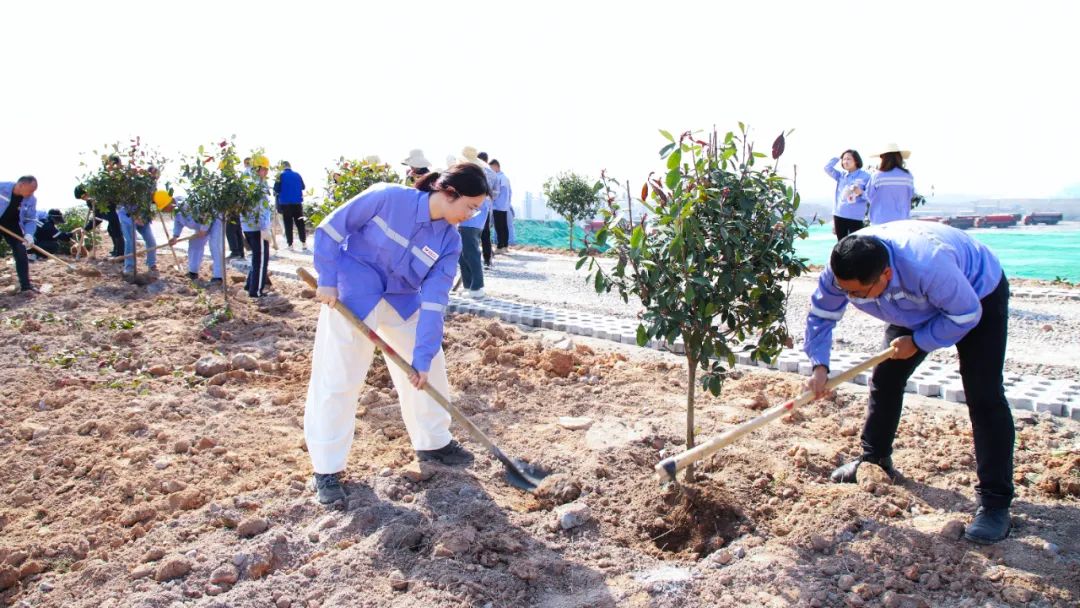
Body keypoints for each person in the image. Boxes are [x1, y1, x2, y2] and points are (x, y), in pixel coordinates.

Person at [804, 220, 1014, 544]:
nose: (848, 297)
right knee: (886, 377)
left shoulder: (927, 264)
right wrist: (819, 365)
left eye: (857, 294)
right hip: (913, 304)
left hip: (975, 295)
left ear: (885, 276)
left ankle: (996, 504)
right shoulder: (843, 270)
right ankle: (875, 461)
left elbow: (965, 314)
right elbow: (822, 314)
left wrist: (919, 341)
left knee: (984, 396)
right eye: (844, 290)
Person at [304, 163, 490, 504]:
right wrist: (327, 279)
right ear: (449, 193)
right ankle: (327, 469)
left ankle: (433, 443)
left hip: (402, 300)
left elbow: (434, 302)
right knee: (339, 377)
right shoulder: (386, 197)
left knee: (430, 366)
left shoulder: (449, 242)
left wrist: (420, 358)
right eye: (471, 207)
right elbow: (331, 229)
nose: (471, 215)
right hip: (353, 291)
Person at [164, 196, 224, 283]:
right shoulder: (176, 210)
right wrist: (175, 236)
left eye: (164, 208)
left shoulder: (186, 204)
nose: (165, 211)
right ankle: (193, 272)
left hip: (214, 220)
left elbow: (207, 212)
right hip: (201, 224)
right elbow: (178, 222)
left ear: (169, 203)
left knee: (215, 246)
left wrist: (204, 229)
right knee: (194, 244)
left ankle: (218, 277)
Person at [853, 144, 914, 225]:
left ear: (883, 158)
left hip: (880, 221)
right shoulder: (908, 176)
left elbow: (869, 196)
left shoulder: (877, 176)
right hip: (902, 221)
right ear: (899, 158)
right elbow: (910, 195)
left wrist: (860, 192)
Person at [0, 176, 40, 293]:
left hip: (12, 224)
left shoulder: (31, 200)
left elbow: (30, 219)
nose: (32, 193)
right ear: (21, 185)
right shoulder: (2, 187)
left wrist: (29, 234)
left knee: (20, 250)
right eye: (31, 190)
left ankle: (26, 286)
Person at [117, 170, 158, 280]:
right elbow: (124, 203)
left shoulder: (153, 187)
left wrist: (150, 214)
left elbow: (152, 203)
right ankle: (129, 267)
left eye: (156, 177)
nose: (154, 179)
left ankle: (152, 265)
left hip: (143, 218)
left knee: (151, 241)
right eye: (152, 177)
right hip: (128, 217)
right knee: (131, 241)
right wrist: (134, 217)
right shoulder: (136, 185)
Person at [242, 156, 273, 297]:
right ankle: (257, 291)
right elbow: (261, 207)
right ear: (258, 168)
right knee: (261, 260)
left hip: (248, 226)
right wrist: (264, 227)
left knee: (256, 258)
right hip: (257, 228)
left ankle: (250, 285)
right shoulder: (258, 184)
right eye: (265, 169)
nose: (266, 172)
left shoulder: (246, 180)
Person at [824, 150, 871, 240]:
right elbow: (827, 168)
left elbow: (871, 197)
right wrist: (838, 156)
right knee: (841, 245)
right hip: (839, 215)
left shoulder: (866, 176)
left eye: (848, 159)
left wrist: (860, 192)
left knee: (856, 247)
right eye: (844, 159)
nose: (845, 162)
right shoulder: (841, 176)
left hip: (856, 217)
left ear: (856, 160)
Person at [273, 161, 308, 251]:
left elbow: (276, 189)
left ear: (282, 167)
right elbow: (303, 187)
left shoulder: (280, 176)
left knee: (288, 224)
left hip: (285, 203)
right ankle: (304, 243)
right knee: (300, 223)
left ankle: (290, 245)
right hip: (297, 203)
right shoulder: (297, 175)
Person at [489, 159, 513, 250]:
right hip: (504, 206)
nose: (491, 170)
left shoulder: (498, 178)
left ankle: (500, 246)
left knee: (499, 227)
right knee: (503, 226)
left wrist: (493, 199)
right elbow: (509, 193)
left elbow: (497, 192)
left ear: (496, 166)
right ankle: (505, 246)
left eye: (491, 168)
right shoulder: (505, 178)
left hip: (497, 205)